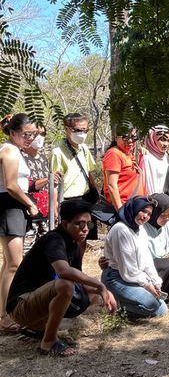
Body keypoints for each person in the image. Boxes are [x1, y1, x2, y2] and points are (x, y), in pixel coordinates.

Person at [5, 199, 117, 356]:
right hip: (21, 306)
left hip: (39, 303)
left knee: (92, 292)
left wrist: (104, 292)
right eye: (80, 224)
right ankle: (48, 341)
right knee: (65, 285)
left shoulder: (75, 244)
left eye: (89, 224)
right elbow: (64, 271)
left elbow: (79, 277)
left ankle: (40, 328)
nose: (86, 229)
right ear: (65, 224)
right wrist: (101, 286)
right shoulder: (54, 239)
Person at [0, 113, 40, 333]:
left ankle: (4, 314)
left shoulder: (15, 149)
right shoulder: (10, 151)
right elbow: (12, 185)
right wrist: (30, 204)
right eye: (26, 134)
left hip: (13, 205)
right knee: (15, 263)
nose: (30, 138)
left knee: (9, 262)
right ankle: (5, 317)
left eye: (33, 134)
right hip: (10, 205)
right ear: (13, 133)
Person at [102, 196, 168, 318]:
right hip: (117, 277)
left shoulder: (140, 229)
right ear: (134, 208)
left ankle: (126, 305)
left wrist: (155, 281)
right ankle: (115, 304)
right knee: (152, 305)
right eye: (142, 211)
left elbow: (147, 259)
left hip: (135, 276)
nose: (145, 216)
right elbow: (128, 269)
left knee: (162, 309)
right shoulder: (121, 230)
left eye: (149, 214)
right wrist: (147, 285)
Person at [50, 112, 99, 239]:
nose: (82, 133)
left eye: (85, 130)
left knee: (84, 237)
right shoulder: (57, 152)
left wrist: (96, 194)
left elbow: (89, 172)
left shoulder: (84, 148)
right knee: (69, 238)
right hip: (67, 200)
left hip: (85, 198)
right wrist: (55, 206)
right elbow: (54, 182)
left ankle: (79, 260)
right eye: (77, 130)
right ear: (67, 129)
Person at [22, 125, 60, 244]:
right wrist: (48, 178)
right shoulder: (19, 157)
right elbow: (24, 185)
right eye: (36, 133)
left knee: (45, 251)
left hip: (46, 215)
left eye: (43, 134)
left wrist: (54, 208)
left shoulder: (44, 159)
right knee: (26, 253)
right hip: (28, 214)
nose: (40, 137)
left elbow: (52, 186)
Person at [102, 122, 145, 211]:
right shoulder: (114, 153)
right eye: (125, 137)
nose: (130, 141)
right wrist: (120, 210)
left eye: (133, 137)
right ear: (116, 137)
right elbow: (111, 185)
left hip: (134, 206)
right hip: (125, 207)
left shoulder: (128, 153)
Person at [140, 125, 169, 194]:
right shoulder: (147, 158)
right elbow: (147, 187)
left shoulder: (167, 157)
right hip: (155, 201)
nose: (166, 144)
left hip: (167, 200)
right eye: (162, 140)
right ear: (153, 139)